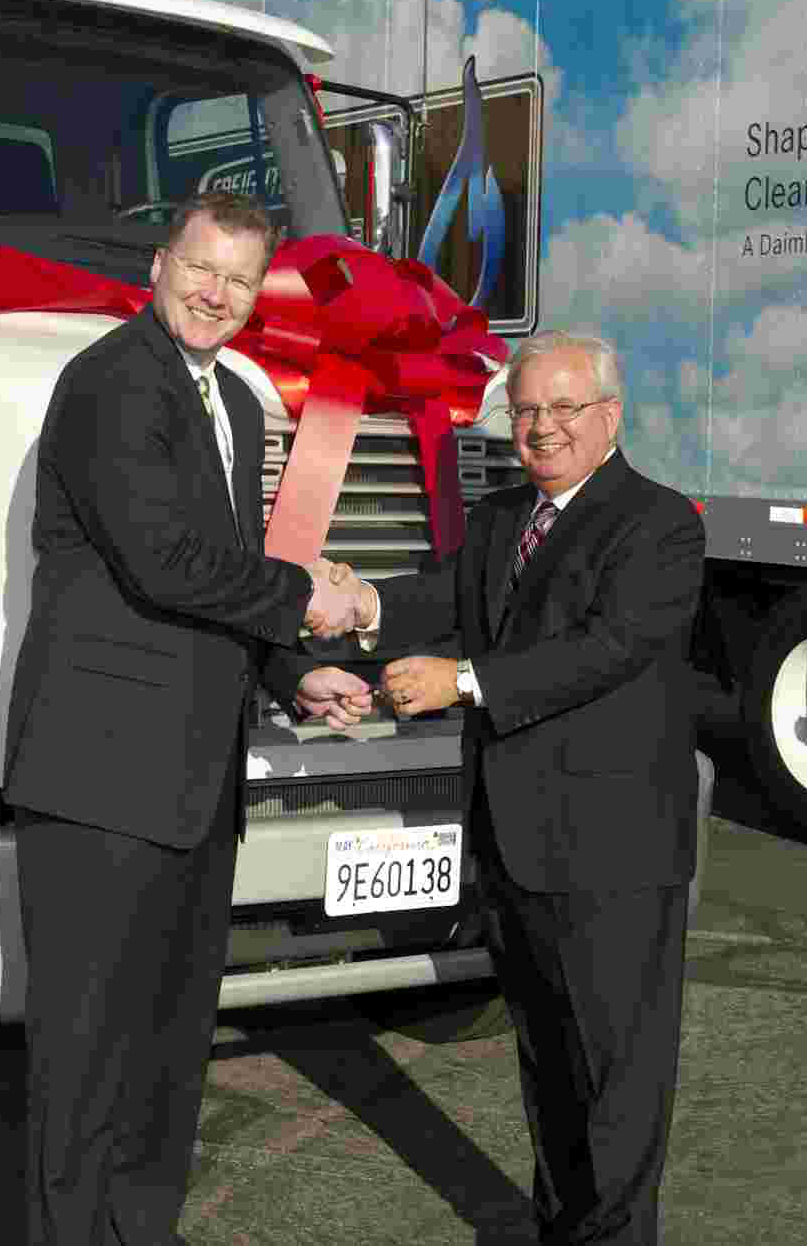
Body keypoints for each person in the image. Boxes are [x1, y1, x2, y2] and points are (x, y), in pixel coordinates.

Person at [2, 188, 370, 1246]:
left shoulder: (239, 402)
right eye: (202, 268)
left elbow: (222, 576)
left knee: (168, 1057)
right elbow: (164, 560)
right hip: (99, 777)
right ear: (160, 264)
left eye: (241, 280)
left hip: (196, 782)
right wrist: (308, 598)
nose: (217, 293)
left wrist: (289, 671)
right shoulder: (113, 384)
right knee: (84, 1065)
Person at [283, 330, 707, 1246]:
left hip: (614, 852)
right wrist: (363, 608)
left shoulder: (659, 523)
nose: (542, 428)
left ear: (610, 419)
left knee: (618, 1080)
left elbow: (610, 647)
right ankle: (560, 1230)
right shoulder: (501, 516)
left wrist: (464, 680)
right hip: (517, 840)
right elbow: (441, 597)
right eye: (525, 411)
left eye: (563, 409)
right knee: (548, 1065)